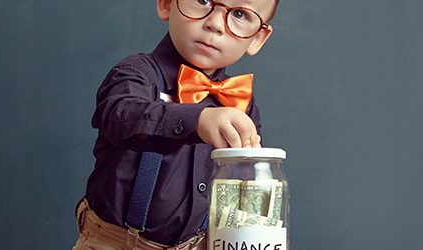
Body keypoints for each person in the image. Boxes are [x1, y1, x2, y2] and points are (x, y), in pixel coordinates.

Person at [73, 0, 279, 249]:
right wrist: (197, 120)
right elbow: (121, 117)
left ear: (257, 38)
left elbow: (247, 184)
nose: (215, 24)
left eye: (239, 14)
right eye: (202, 0)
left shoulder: (241, 104)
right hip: (117, 243)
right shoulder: (135, 73)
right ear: (166, 4)